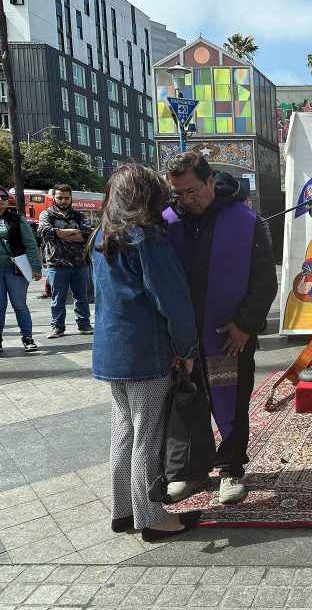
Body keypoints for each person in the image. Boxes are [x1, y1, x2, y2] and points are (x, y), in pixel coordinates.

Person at [87, 164, 201, 542]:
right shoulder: (145, 237)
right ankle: (151, 518)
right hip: (146, 354)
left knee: (124, 432)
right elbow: (173, 300)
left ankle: (124, 511)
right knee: (147, 437)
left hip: (111, 351)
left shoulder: (103, 234)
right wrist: (187, 349)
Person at [164, 152, 278, 505]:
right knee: (187, 402)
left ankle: (231, 470)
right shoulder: (167, 221)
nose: (186, 200)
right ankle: (191, 471)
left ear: (211, 180)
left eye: (193, 191)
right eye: (178, 193)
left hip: (230, 336)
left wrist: (246, 324)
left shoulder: (245, 221)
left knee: (232, 401)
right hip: (182, 338)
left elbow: (264, 280)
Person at [38, 184, 94, 338]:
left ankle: (84, 324)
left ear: (71, 198)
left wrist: (58, 234)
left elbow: (87, 235)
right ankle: (57, 327)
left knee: (81, 297)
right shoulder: (46, 214)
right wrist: (73, 231)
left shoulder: (80, 215)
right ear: (54, 198)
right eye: (60, 198)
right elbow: (45, 232)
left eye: (66, 198)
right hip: (57, 265)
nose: (63, 201)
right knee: (58, 299)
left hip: (80, 264)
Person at [0, 185, 42, 353]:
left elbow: (30, 244)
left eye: (3, 197)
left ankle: (27, 337)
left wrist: (36, 267)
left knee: (19, 305)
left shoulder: (17, 219)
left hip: (15, 268)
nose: (1, 201)